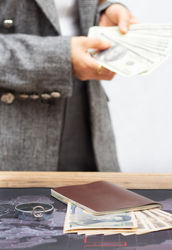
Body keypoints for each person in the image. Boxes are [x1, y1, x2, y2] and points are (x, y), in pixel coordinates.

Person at [0, 0, 137, 172]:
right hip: (9, 128)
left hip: (87, 109)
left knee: (98, 196)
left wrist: (103, 11)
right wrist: (60, 57)